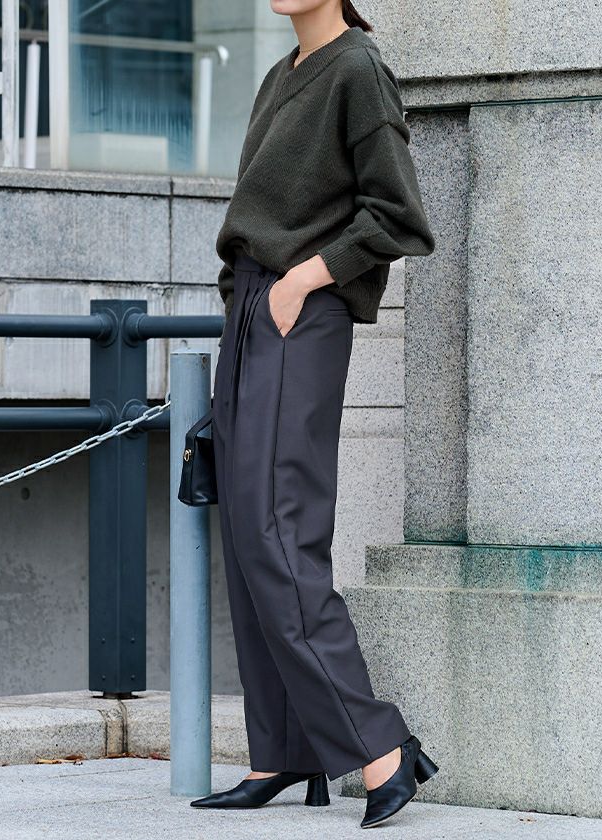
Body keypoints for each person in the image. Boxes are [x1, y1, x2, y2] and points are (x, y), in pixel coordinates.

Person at [191, 0, 438, 828]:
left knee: (278, 531)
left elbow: (397, 215)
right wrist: (245, 302)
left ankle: (381, 747)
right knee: (247, 534)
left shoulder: (358, 69)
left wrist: (304, 279)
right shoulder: (279, 75)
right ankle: (283, 751)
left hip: (302, 308)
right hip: (253, 310)